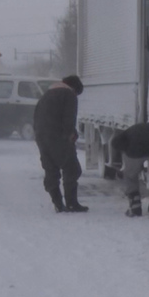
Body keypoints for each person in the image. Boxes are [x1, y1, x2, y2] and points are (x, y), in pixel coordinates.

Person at [33, 75, 88, 213]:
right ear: (74, 88)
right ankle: (71, 203)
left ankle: (57, 202)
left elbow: (36, 116)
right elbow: (69, 118)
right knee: (72, 169)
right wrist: (70, 134)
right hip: (58, 137)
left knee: (51, 170)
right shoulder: (68, 94)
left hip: (41, 137)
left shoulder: (46, 95)